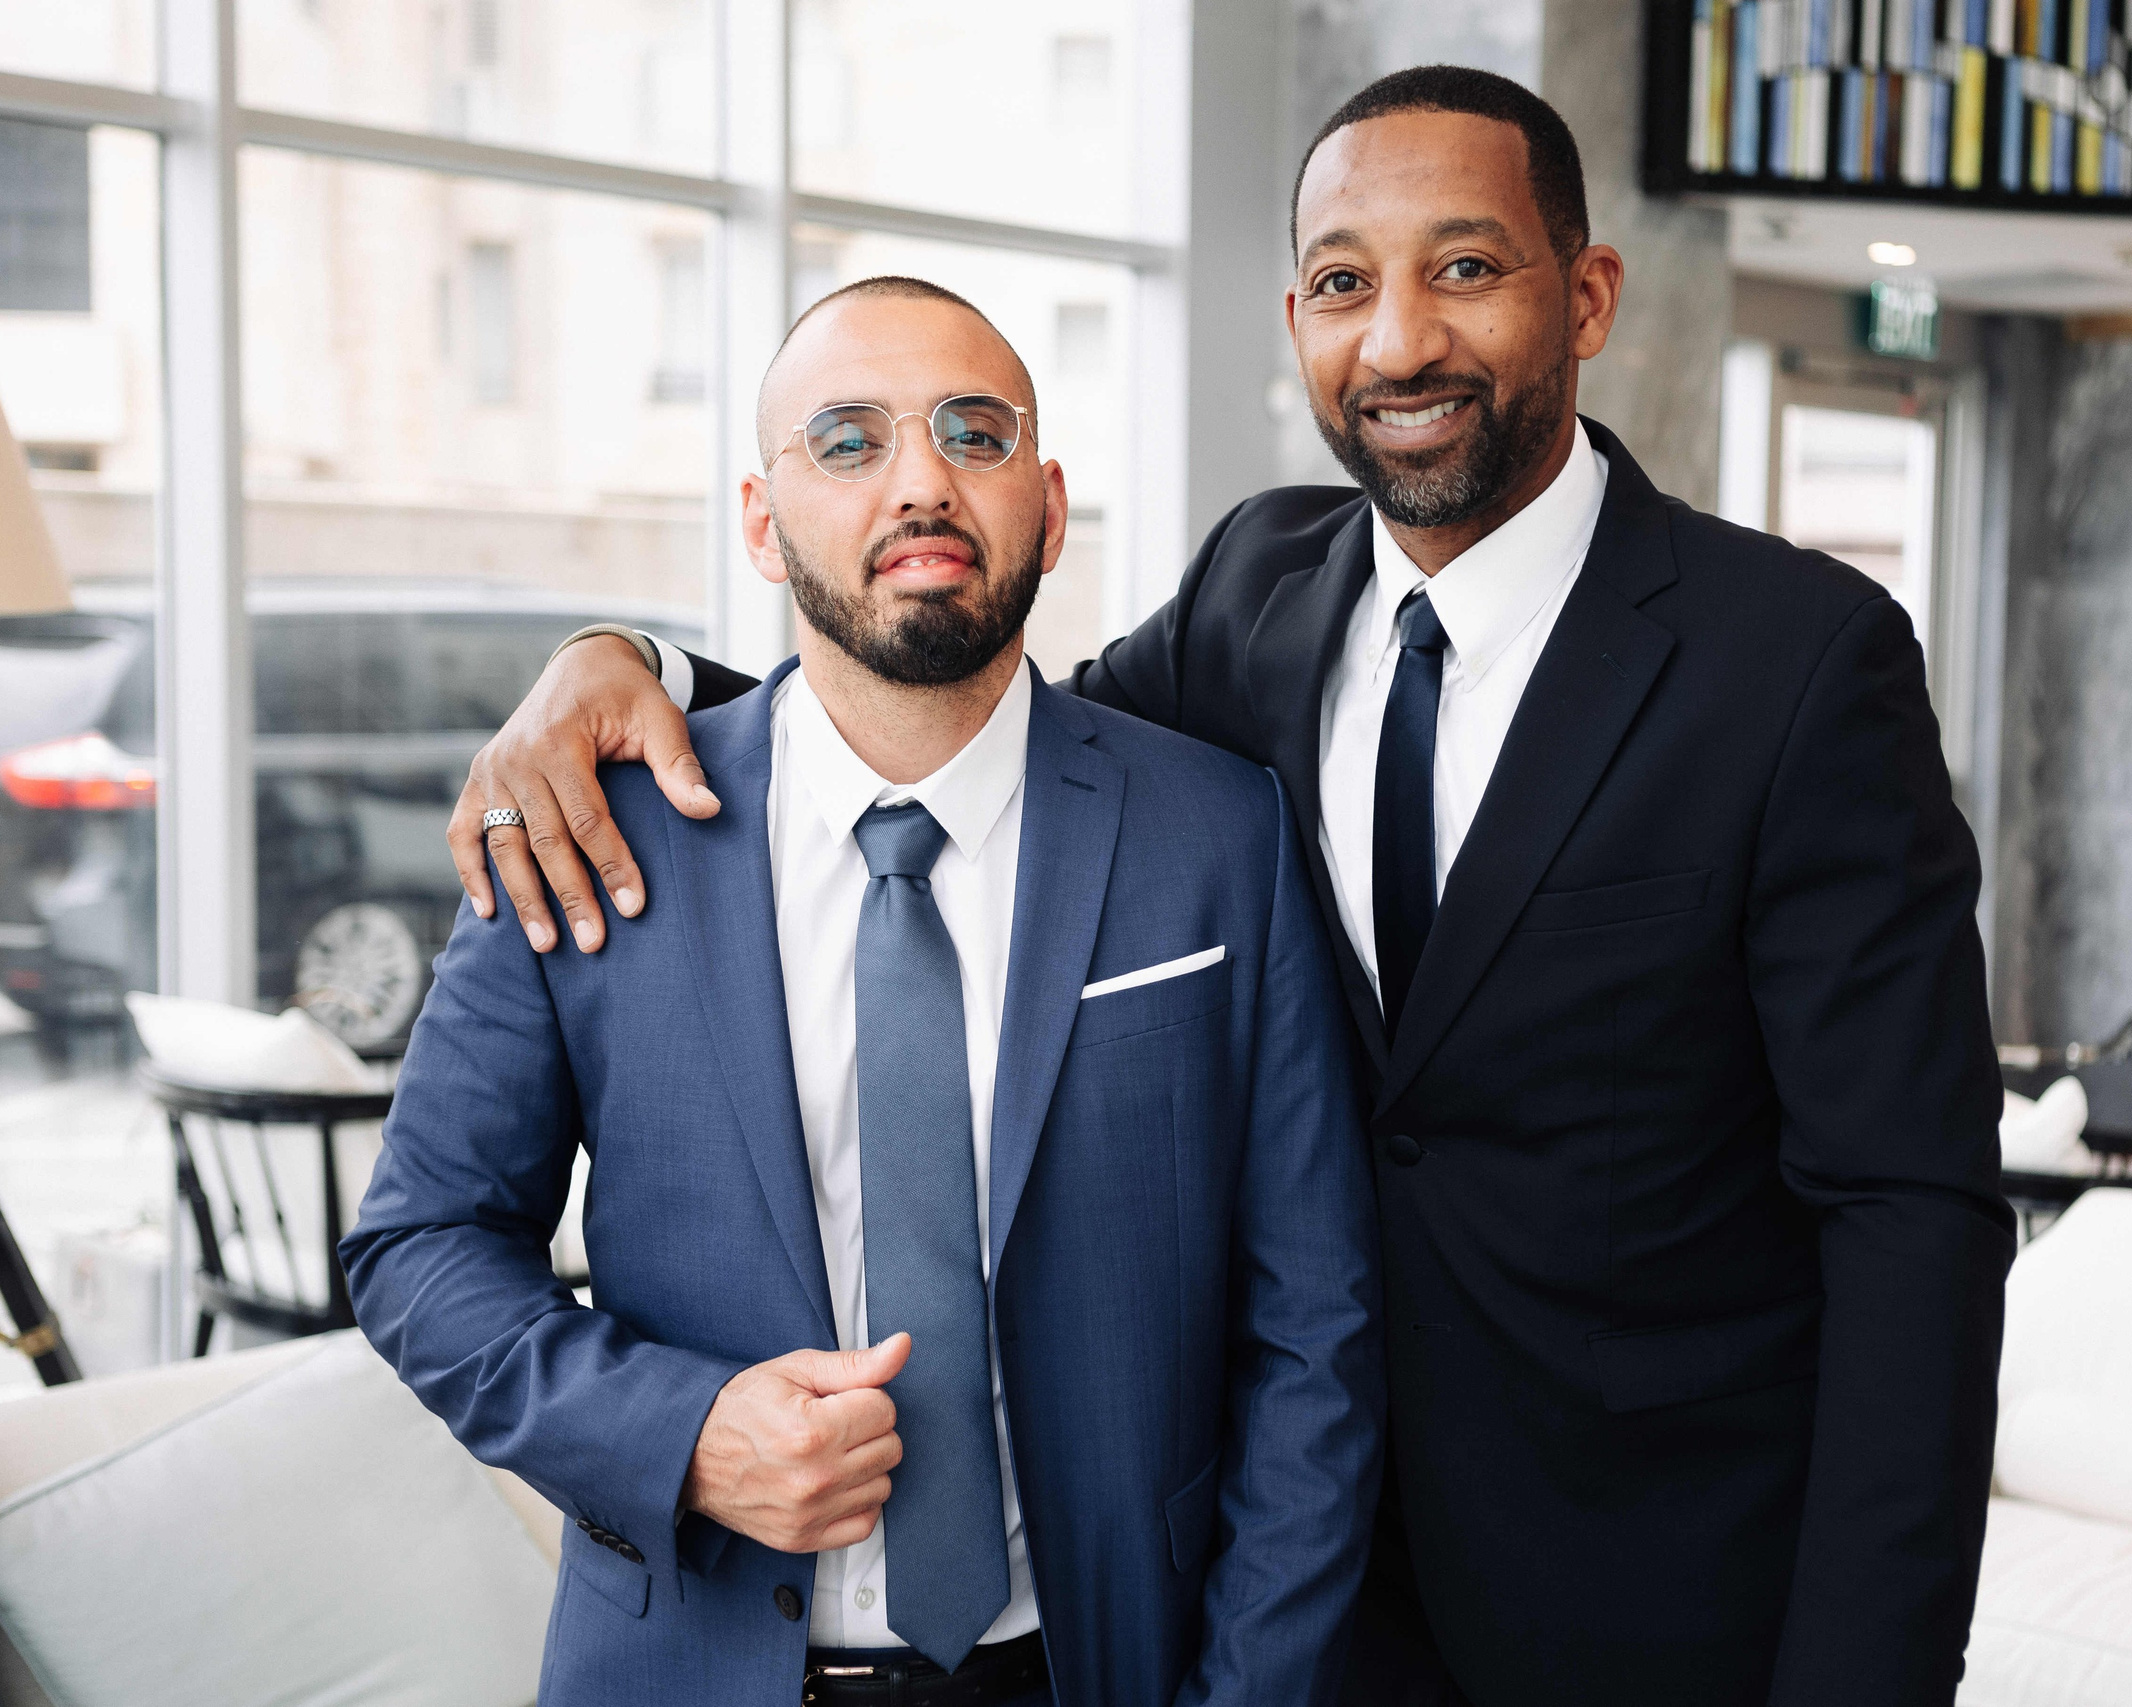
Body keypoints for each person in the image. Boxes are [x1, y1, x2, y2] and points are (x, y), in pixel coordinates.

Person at [446, 66, 2010, 1707]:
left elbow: (1912, 1221)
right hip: (1298, 1600)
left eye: (1465, 269)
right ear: (1296, 320)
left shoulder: (1797, 663)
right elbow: (959, 713)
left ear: (1591, 294)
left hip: (1651, 1599)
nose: (1397, 340)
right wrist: (625, 664)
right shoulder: (1262, 589)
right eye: (1345, 283)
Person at [345, 276, 1385, 1707]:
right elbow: (419, 1249)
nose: (920, 481)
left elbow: (1314, 1330)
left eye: (974, 431)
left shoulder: (1218, 835)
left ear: (1049, 501)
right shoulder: (591, 830)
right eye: (847, 441)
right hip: (687, 1669)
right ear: (763, 522)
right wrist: (685, 1434)